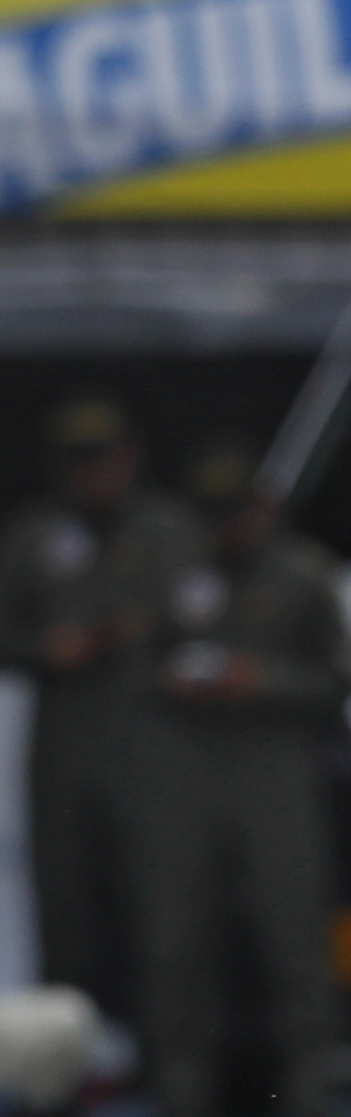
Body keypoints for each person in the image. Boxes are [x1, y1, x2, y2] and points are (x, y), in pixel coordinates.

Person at [138, 437, 350, 1117]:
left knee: (295, 943)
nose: (226, 527)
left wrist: (263, 681)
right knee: (177, 946)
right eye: (212, 514)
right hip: (185, 772)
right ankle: (182, 1109)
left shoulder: (302, 578)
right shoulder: (168, 576)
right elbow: (130, 671)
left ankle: (315, 1112)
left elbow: (340, 683)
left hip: (273, 771)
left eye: (237, 513)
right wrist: (174, 680)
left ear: (262, 511)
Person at [0, 402, 199, 1050]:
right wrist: (41, 648)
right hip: (64, 743)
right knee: (66, 918)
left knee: (163, 920)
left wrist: (140, 630)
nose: (93, 475)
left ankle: (174, 1085)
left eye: (103, 459)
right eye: (78, 462)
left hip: (153, 743)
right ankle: (58, 1082)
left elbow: (204, 615)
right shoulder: (34, 535)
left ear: (129, 456)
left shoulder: (170, 529)